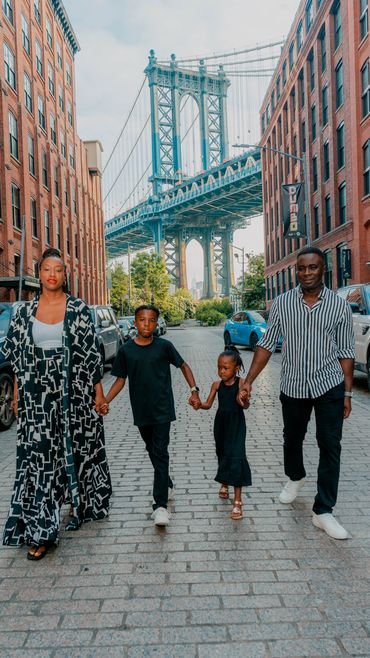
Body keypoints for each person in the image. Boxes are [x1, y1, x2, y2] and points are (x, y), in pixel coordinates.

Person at [2, 248, 111, 560]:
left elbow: (92, 355)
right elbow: (18, 360)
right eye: (47, 269)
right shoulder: (23, 312)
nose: (52, 274)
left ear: (66, 275)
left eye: (58, 270)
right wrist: (18, 395)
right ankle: (41, 530)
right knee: (39, 461)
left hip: (71, 396)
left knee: (71, 452)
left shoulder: (78, 309)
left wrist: (98, 393)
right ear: (40, 274)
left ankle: (76, 501)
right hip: (37, 398)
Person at [239, 246, 355, 540]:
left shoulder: (339, 306)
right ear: (296, 272)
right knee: (292, 438)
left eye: (312, 267)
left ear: (323, 269)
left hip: (329, 384)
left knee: (330, 445)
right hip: (293, 385)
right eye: (301, 269)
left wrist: (348, 393)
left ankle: (324, 510)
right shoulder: (282, 303)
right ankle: (295, 477)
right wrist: (249, 380)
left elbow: (345, 352)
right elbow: (267, 344)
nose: (306, 273)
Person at [101, 304, 200, 527]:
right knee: (151, 450)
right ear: (135, 323)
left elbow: (183, 365)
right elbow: (119, 380)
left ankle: (160, 506)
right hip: (141, 410)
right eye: (143, 320)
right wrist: (105, 400)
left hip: (163, 409)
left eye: (152, 320)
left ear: (157, 323)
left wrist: (194, 390)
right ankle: (167, 482)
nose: (147, 324)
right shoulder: (126, 350)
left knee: (160, 451)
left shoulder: (165, 346)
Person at [192, 346, 251, 520]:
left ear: (236, 368)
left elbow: (246, 406)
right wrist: (198, 404)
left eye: (226, 368)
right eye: (219, 367)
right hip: (221, 424)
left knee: (237, 457)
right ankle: (224, 483)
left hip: (237, 424)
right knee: (222, 454)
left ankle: (238, 502)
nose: (221, 371)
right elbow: (208, 404)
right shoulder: (216, 385)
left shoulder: (242, 383)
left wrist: (243, 400)